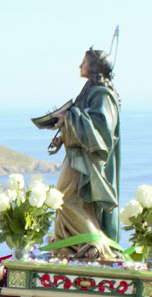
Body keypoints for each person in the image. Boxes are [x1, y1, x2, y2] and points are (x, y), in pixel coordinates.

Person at [32, 48, 121, 253]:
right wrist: (63, 133)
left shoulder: (102, 95)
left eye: (84, 62)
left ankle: (95, 244)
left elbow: (101, 127)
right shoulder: (90, 91)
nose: (80, 66)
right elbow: (84, 120)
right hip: (77, 157)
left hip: (87, 161)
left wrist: (69, 117)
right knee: (65, 199)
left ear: (94, 67)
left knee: (67, 200)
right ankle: (70, 244)